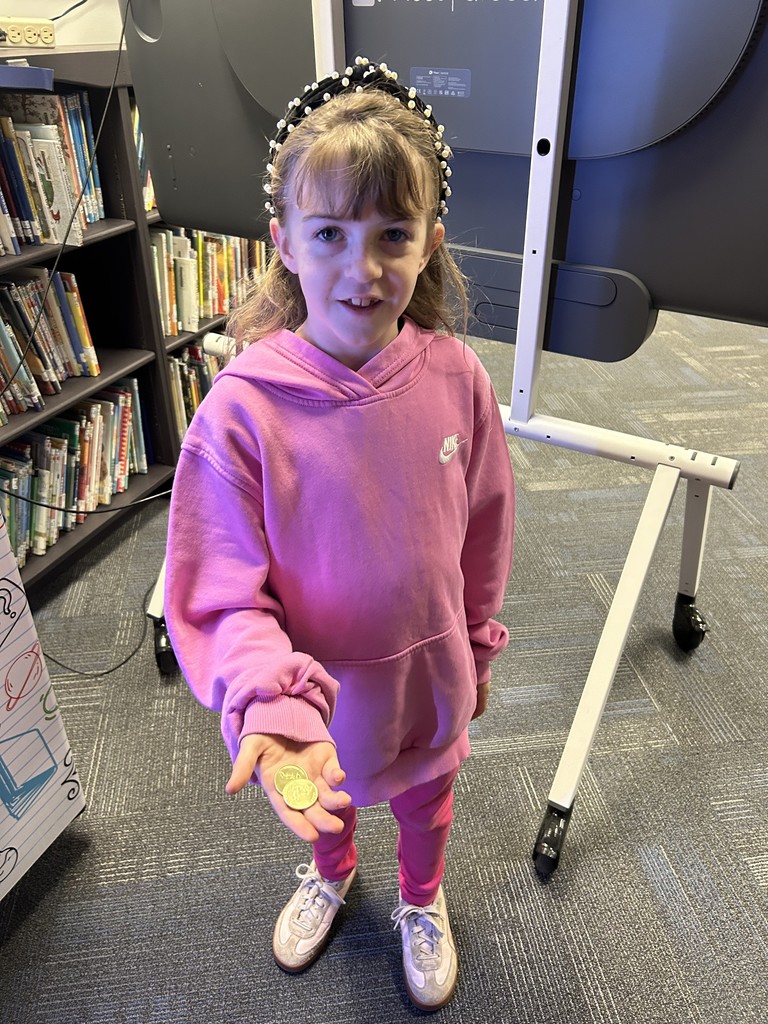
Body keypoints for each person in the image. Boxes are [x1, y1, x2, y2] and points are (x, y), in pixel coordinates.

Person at [164, 57, 515, 1012]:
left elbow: (483, 530)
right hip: (319, 693)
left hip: (427, 673)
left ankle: (420, 896)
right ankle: (331, 871)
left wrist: (478, 643)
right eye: (329, 234)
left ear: (429, 244)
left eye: (392, 235)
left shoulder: (458, 381)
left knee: (427, 799)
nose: (361, 269)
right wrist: (270, 708)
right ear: (284, 243)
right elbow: (220, 590)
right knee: (325, 794)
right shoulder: (242, 412)